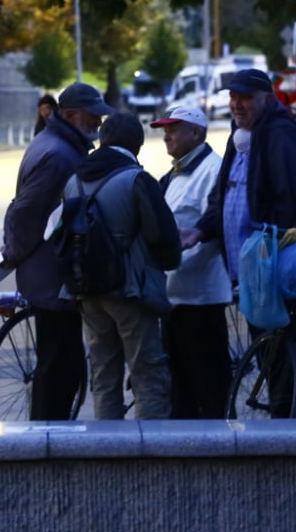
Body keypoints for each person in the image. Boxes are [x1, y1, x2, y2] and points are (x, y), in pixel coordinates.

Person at [190, 68, 296, 417]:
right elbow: (223, 193)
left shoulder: (278, 134)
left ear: (266, 99)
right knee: (268, 346)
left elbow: (291, 198)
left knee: (280, 345)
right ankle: (283, 417)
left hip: (270, 263)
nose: (236, 104)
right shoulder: (241, 134)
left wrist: (271, 243)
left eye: (244, 97)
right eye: (232, 97)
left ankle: (286, 424)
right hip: (250, 267)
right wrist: (201, 230)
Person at [0, 82, 111, 420]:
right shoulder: (60, 155)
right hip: (51, 273)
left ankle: (48, 435)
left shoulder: (56, 144)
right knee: (60, 366)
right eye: (92, 117)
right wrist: (12, 253)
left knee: (61, 361)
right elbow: (28, 212)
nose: (98, 123)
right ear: (70, 115)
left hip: (47, 270)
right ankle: (46, 441)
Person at [61, 112, 181, 419]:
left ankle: (108, 453)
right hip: (130, 290)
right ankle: (151, 454)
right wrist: (168, 263)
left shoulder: (74, 180)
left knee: (103, 376)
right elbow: (162, 236)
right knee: (148, 374)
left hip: (85, 288)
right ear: (137, 144)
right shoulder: (136, 179)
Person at [150, 106, 232, 419]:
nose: (166, 136)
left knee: (208, 382)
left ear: (196, 133)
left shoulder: (212, 171)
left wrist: (173, 261)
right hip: (175, 294)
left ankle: (216, 443)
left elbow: (213, 229)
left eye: (174, 129)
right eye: (164, 129)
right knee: (180, 384)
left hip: (200, 295)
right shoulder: (175, 172)